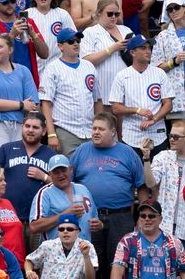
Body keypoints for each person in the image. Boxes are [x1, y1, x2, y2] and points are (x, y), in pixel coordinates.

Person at [70, 112, 144, 264]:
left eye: (101, 129)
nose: (96, 132)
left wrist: (141, 218)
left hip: (120, 217)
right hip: (89, 216)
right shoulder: (82, 150)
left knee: (120, 263)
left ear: (113, 132)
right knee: (92, 262)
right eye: (94, 128)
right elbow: (68, 183)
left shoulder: (127, 152)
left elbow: (142, 187)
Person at [40, 28, 102, 156]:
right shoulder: (52, 68)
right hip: (66, 131)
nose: (76, 44)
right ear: (60, 46)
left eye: (78, 40)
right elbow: (46, 103)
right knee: (70, 172)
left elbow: (97, 100)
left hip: (90, 130)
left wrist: (99, 127)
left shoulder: (88, 66)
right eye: (71, 41)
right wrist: (51, 134)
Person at [108, 35, 170, 151]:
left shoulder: (159, 73)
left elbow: (168, 104)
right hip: (132, 135)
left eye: (149, 48)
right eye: (143, 48)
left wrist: (154, 119)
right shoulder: (121, 75)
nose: (148, 51)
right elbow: (115, 108)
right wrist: (137, 110)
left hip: (158, 133)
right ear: (132, 52)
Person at [111, 200, 185, 279]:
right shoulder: (127, 241)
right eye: (143, 216)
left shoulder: (175, 242)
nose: (147, 219)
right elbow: (117, 268)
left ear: (160, 219)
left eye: (151, 216)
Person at [30, 152, 99, 240]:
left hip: (83, 250)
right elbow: (34, 227)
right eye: (56, 172)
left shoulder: (83, 189)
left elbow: (94, 217)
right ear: (50, 174)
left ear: (70, 170)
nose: (61, 175)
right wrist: (66, 214)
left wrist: (98, 224)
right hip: (57, 252)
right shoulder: (45, 193)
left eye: (63, 170)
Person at [25, 214, 98, 279]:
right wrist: (29, 272)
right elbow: (29, 260)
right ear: (58, 232)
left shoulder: (87, 246)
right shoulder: (48, 245)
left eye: (70, 229)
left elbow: (91, 277)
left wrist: (86, 256)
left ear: (78, 231)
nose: (65, 231)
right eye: (61, 229)